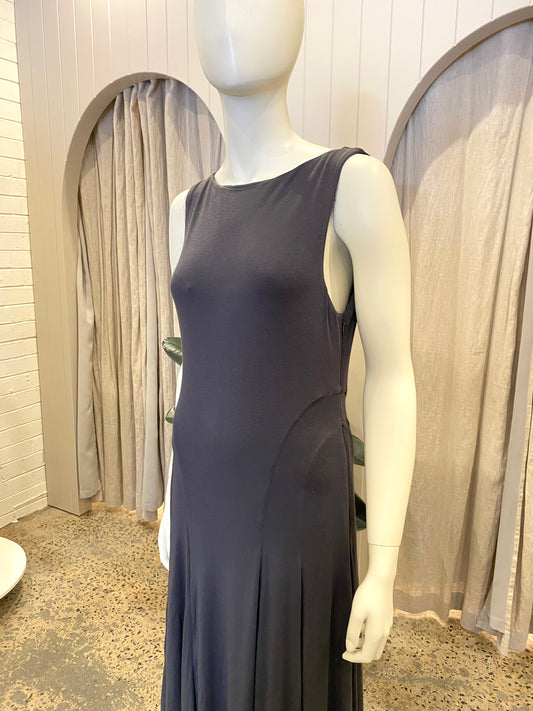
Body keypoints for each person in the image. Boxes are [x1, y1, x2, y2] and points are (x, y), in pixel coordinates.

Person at [159, 1, 416, 708]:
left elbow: (393, 376)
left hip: (292, 508)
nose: (230, 15)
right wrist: (173, 497)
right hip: (203, 499)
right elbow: (197, 365)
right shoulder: (185, 209)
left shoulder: (351, 184)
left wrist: (384, 566)